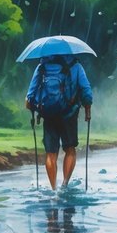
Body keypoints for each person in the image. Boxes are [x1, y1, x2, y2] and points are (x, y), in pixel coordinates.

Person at [25, 55, 93, 190]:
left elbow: (30, 96)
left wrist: (35, 109)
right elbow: (86, 90)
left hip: (49, 114)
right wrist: (87, 109)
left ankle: (53, 189)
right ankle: (64, 185)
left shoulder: (42, 67)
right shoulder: (76, 66)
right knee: (70, 149)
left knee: (51, 153)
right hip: (69, 114)